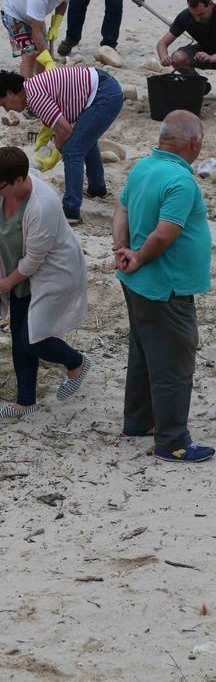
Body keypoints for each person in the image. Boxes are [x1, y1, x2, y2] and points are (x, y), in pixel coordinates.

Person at [112, 110, 214, 463]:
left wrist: (121, 250)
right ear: (195, 143)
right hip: (164, 287)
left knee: (144, 351)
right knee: (173, 360)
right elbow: (165, 234)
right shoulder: (181, 182)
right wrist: (137, 256)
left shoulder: (143, 167)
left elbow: (121, 209)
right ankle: (172, 442)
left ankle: (138, 421)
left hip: (138, 283)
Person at [0, 147, 89, 418]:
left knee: (33, 339)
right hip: (16, 274)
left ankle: (76, 362)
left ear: (19, 179)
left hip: (52, 273)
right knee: (19, 338)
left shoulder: (43, 205)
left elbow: (34, 260)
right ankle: (25, 402)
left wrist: (6, 283)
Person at [0, 67, 123, 225]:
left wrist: (55, 153)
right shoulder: (30, 89)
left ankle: (71, 211)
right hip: (102, 88)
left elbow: (65, 130)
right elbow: (54, 121)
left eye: (4, 104)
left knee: (72, 150)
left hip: (103, 95)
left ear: (11, 93)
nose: (7, 109)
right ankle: (97, 188)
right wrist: (48, 142)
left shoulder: (34, 96)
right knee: (84, 140)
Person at [1, 0, 78, 78]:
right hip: (14, 13)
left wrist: (55, 25)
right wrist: (48, 60)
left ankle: (42, 85)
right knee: (30, 55)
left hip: (35, 15)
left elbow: (63, 2)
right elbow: (36, 31)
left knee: (42, 53)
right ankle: (26, 90)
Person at [156, 0, 216, 81]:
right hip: (204, 52)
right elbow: (162, 43)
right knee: (178, 58)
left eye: (201, 14)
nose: (197, 19)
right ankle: (197, 84)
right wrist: (164, 57)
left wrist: (212, 57)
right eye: (193, 14)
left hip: (212, 56)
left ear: (211, 5)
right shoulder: (185, 17)